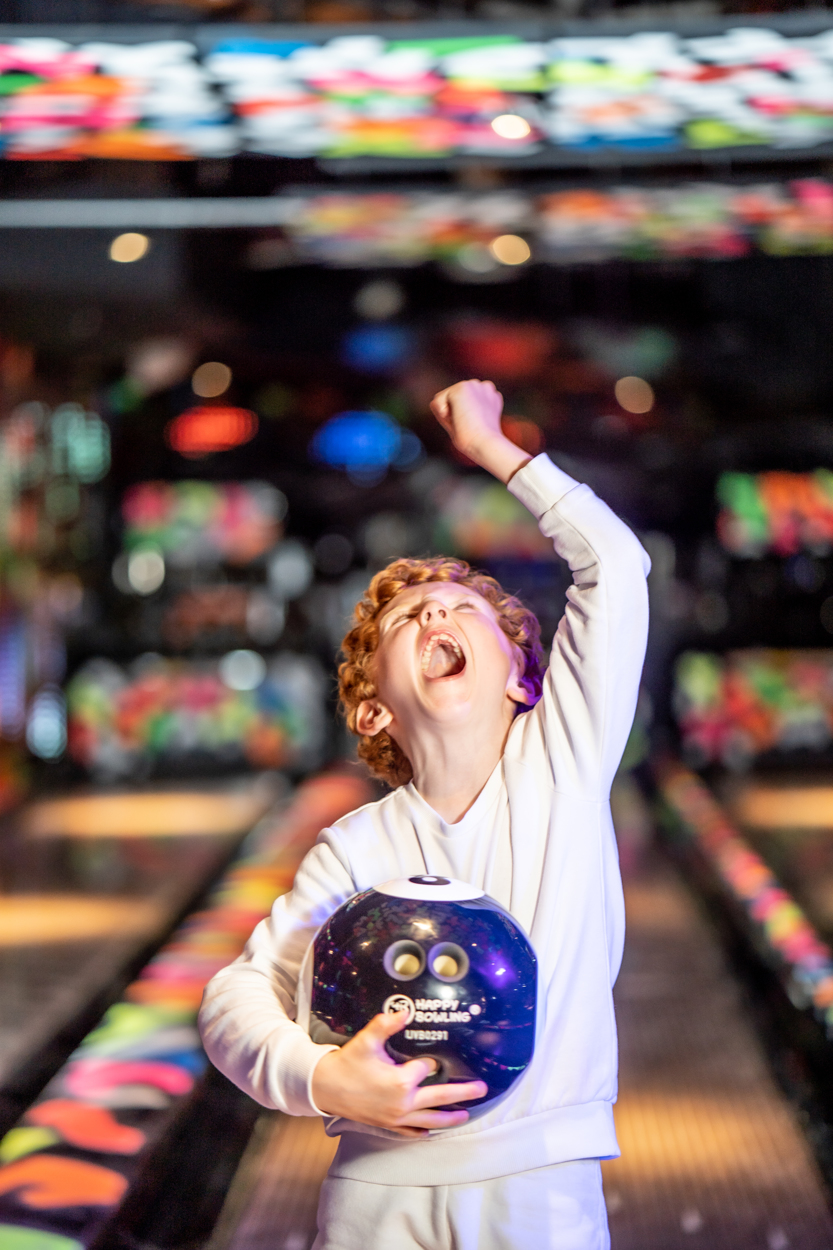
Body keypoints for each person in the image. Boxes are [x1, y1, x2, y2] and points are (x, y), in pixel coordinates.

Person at [199, 379, 650, 1250]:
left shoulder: (561, 762)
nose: (439, 611)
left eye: (465, 612)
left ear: (524, 681)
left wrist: (493, 449)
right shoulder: (355, 848)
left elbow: (614, 566)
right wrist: (324, 1078)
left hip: (541, 1183)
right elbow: (233, 1000)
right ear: (372, 711)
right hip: (377, 1190)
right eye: (412, 618)